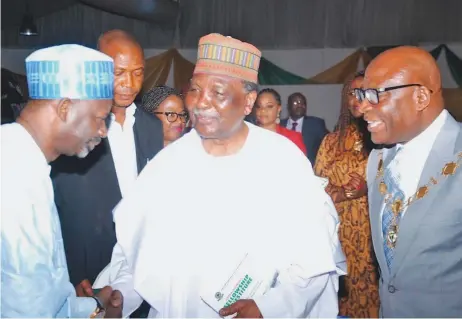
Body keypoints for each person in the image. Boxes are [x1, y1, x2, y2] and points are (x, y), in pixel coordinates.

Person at [106, 33, 345, 318]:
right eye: (195, 90)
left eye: (217, 93)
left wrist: (269, 308)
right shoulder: (168, 165)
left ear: (248, 101)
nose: (200, 103)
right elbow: (136, 249)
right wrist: (119, 293)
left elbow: (313, 260)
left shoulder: (283, 162)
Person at [1, 44, 123, 317]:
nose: (103, 132)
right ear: (65, 107)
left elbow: (43, 293)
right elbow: (28, 309)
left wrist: (93, 305)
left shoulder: (20, 158)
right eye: (101, 119)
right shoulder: (17, 181)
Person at [51, 29, 163, 300]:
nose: (130, 82)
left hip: (139, 262)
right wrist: (73, 273)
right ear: (97, 71)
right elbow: (62, 206)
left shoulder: (152, 127)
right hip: (88, 266)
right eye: (119, 72)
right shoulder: (73, 126)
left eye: (138, 72)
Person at [358, 46, 462, 317]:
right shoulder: (377, 160)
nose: (361, 107)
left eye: (375, 95)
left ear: (420, 97)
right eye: (362, 95)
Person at [315, 71, 380, 318]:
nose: (356, 99)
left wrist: (367, 188)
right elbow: (317, 187)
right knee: (342, 298)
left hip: (371, 235)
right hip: (339, 234)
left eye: (363, 92)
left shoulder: (384, 140)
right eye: (352, 92)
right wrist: (341, 193)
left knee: (374, 296)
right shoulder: (331, 142)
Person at [254, 88, 307, 155]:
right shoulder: (246, 136)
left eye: (269, 106)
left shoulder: (293, 138)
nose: (263, 110)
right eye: (259, 106)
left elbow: (301, 164)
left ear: (279, 109)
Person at [280, 92, 328, 164]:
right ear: (288, 106)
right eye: (296, 103)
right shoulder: (279, 125)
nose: (300, 105)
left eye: (303, 103)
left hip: (308, 169)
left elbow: (328, 145)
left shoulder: (316, 124)